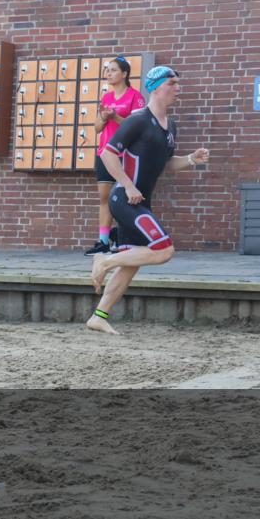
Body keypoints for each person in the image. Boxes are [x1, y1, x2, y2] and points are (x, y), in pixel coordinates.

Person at [87, 66, 209, 335]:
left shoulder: (170, 126)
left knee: (131, 265)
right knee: (164, 250)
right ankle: (104, 261)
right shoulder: (138, 120)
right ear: (154, 87)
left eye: (177, 83)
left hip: (140, 201)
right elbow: (107, 154)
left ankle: (98, 316)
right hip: (125, 198)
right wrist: (129, 185)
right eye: (171, 83)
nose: (177, 88)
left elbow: (167, 164)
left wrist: (191, 160)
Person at [85, 56, 146, 255]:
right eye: (107, 70)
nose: (108, 73)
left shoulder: (135, 97)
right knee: (104, 198)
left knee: (125, 197)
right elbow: (96, 128)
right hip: (105, 153)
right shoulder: (106, 98)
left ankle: (123, 238)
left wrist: (115, 116)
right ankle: (103, 241)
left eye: (113, 70)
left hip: (126, 154)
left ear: (124, 73)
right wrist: (104, 118)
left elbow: (137, 127)